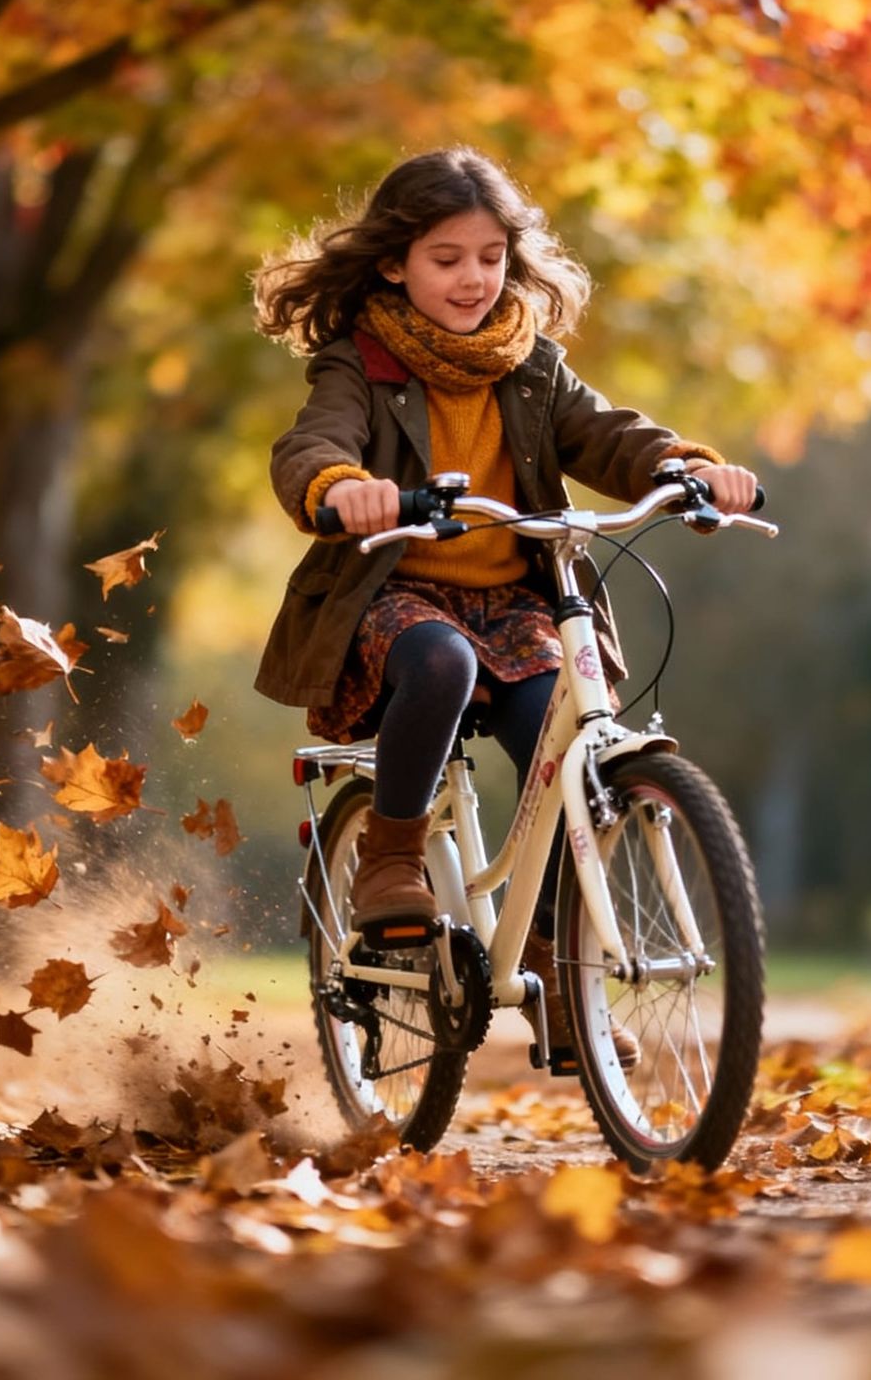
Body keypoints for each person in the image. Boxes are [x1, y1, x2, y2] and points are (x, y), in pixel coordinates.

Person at [253, 147, 757, 1067]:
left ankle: (556, 959)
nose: (473, 278)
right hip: (394, 591)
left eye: (490, 256)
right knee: (438, 663)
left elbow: (607, 435)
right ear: (395, 264)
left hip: (515, 603)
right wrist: (342, 485)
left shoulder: (530, 363)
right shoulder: (360, 362)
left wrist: (685, 470)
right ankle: (393, 857)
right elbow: (314, 442)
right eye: (447, 259)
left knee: (563, 729)